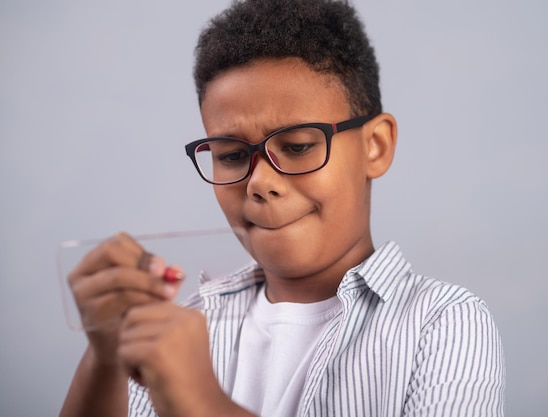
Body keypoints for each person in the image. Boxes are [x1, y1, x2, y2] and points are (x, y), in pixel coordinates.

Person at [60, 0, 505, 416]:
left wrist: (200, 400)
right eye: (232, 155)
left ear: (375, 146)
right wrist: (105, 360)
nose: (260, 183)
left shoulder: (443, 322)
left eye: (296, 146)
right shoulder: (183, 327)